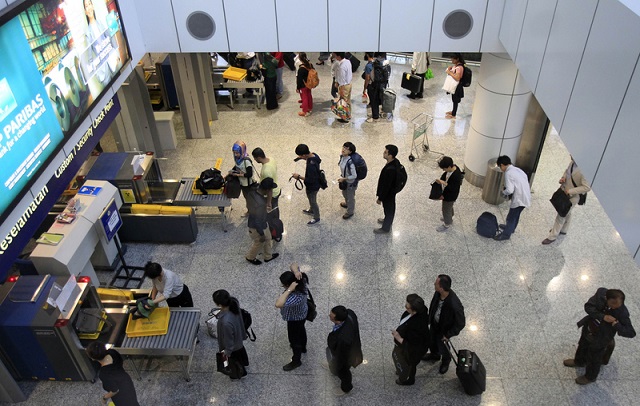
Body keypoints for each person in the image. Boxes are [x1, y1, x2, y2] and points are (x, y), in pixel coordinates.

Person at [564, 288, 635, 385]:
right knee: (582, 345)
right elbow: (588, 307)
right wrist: (602, 317)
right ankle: (579, 361)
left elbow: (631, 332)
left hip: (601, 338)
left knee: (594, 357)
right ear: (606, 298)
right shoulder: (600, 293)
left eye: (617, 306)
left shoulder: (622, 312)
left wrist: (616, 325)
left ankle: (590, 377)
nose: (614, 308)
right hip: (589, 328)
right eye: (612, 305)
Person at [542, 158, 591, 245]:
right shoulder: (573, 162)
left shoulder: (585, 170)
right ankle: (564, 229)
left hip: (572, 196)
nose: (570, 156)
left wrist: (570, 191)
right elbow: (567, 172)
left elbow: (587, 187)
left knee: (561, 214)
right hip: (564, 191)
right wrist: (563, 178)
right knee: (568, 211)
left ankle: (552, 236)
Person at [423, 274, 465, 374]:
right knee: (432, 341)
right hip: (435, 325)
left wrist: (448, 335)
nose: (434, 284)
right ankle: (434, 355)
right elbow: (433, 306)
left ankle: (446, 361)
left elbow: (461, 323)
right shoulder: (438, 294)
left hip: (444, 331)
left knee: (443, 347)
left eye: (436, 283)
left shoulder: (454, 305)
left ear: (441, 288)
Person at [275, 263, 309, 371]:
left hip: (294, 319)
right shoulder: (300, 281)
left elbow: (278, 304)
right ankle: (303, 347)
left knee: (294, 340)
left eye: (283, 285)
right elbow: (293, 264)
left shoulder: (295, 296)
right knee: (301, 330)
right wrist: (296, 272)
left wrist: (289, 290)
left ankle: (296, 360)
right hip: (302, 314)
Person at [391, 294, 430, 386]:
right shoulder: (421, 310)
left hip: (413, 350)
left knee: (410, 364)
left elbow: (412, 345)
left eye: (407, 307)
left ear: (414, 310)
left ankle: (408, 379)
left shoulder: (416, 327)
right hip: (413, 345)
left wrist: (398, 337)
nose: (405, 307)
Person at [86, 342, 139, 406]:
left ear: (93, 358)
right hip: (127, 381)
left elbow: (114, 390)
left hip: (121, 395)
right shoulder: (112, 352)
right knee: (133, 402)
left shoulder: (104, 374)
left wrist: (104, 398)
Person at [212, 289, 249, 380]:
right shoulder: (234, 302)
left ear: (218, 304)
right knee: (241, 354)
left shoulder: (225, 322)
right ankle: (245, 363)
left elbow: (229, 340)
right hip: (239, 339)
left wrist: (227, 353)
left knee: (235, 361)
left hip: (233, 347)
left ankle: (239, 373)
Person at [494, 155, 532, 240]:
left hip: (519, 199)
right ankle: (511, 229)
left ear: (502, 165)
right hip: (526, 197)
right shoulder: (518, 170)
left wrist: (503, 192)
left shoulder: (508, 173)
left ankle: (506, 235)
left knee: (511, 217)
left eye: (500, 167)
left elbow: (510, 190)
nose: (501, 169)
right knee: (516, 215)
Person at [327, 305, 363, 394]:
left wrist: (337, 365)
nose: (329, 316)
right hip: (345, 347)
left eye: (331, 316)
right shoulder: (350, 313)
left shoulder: (343, 339)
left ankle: (346, 388)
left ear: (338, 321)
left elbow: (341, 356)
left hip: (345, 355)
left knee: (343, 371)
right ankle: (332, 367)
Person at [245, 183, 279, 265]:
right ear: (267, 190)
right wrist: (261, 234)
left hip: (262, 222)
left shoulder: (254, 192)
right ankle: (250, 257)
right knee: (259, 242)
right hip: (257, 227)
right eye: (270, 190)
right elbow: (257, 221)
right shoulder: (260, 204)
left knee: (268, 238)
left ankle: (268, 256)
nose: (271, 192)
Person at [292, 144, 322, 226]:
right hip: (315, 183)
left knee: (313, 201)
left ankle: (316, 217)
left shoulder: (311, 166)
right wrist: (300, 158)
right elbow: (316, 160)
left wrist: (298, 177)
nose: (300, 157)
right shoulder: (314, 155)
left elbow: (311, 180)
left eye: (300, 156)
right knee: (310, 199)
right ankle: (311, 210)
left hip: (313, 187)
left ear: (304, 155)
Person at [375, 144, 401, 234]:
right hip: (391, 192)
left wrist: (380, 198)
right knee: (388, 209)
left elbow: (386, 186)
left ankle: (385, 228)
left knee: (389, 209)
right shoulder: (395, 162)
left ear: (390, 155)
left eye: (385, 152)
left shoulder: (390, 169)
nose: (383, 153)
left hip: (388, 194)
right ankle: (387, 220)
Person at [435, 156, 463, 232]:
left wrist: (443, 183)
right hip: (449, 195)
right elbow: (445, 175)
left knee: (446, 209)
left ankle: (447, 224)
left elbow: (452, 188)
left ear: (449, 166)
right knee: (449, 207)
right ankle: (450, 216)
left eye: (444, 168)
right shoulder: (453, 168)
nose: (444, 170)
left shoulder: (456, 175)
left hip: (450, 196)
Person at [252, 147, 281, 214]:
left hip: (272, 194)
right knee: (275, 207)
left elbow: (269, 189)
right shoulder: (271, 159)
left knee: (272, 209)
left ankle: (274, 221)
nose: (254, 159)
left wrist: (269, 202)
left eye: (255, 158)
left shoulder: (266, 171)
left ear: (259, 158)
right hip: (276, 188)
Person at [229, 141, 257, 206]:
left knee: (249, 199)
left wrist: (238, 175)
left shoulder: (246, 161)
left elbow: (249, 174)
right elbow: (236, 167)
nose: (235, 155)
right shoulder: (237, 159)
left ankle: (250, 212)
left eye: (237, 153)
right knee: (246, 198)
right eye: (234, 153)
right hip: (242, 183)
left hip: (248, 184)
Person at [338, 142, 358, 219]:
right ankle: (347, 204)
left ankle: (350, 212)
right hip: (345, 180)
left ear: (350, 152)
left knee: (350, 197)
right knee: (344, 193)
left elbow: (354, 175)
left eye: (346, 149)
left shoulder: (350, 162)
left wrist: (345, 178)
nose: (343, 149)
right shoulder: (342, 157)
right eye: (343, 147)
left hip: (350, 182)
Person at [334, 52, 353, 123]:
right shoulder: (347, 61)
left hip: (344, 86)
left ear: (338, 56)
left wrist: (341, 91)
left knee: (343, 102)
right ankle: (349, 115)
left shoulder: (341, 67)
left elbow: (342, 80)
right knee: (348, 101)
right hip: (349, 84)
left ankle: (344, 118)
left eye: (335, 55)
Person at [363, 52, 382, 123]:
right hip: (378, 84)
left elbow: (367, 79)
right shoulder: (377, 62)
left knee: (373, 101)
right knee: (376, 100)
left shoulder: (368, 66)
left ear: (367, 55)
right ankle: (376, 114)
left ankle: (375, 116)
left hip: (372, 85)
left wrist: (364, 88)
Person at [445, 53, 465, 119]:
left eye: (453, 59)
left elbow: (457, 78)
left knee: (455, 100)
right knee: (454, 99)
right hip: (456, 85)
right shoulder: (457, 66)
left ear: (457, 59)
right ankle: (453, 111)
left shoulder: (459, 67)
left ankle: (453, 115)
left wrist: (449, 72)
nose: (451, 60)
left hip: (457, 86)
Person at [296, 52, 314, 117]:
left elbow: (299, 79)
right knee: (309, 95)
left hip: (303, 85)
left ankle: (304, 111)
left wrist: (298, 88)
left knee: (304, 97)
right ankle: (310, 107)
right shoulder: (310, 65)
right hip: (309, 83)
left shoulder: (301, 68)